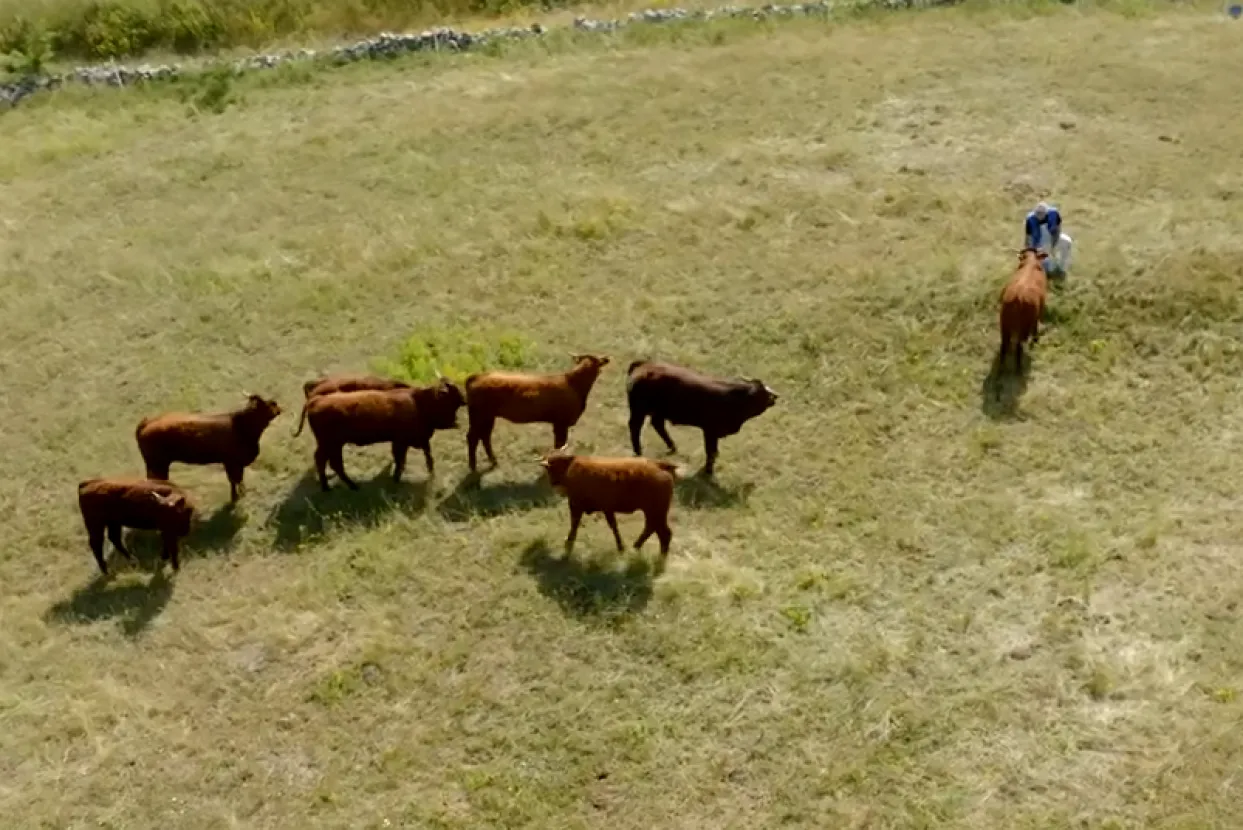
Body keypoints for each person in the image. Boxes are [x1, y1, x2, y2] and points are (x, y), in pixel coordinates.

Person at [1023, 201, 1072, 278]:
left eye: (1041, 213)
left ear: (1046, 212)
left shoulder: (1054, 214)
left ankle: (1062, 269)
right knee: (1048, 266)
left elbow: (1058, 229)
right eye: (1038, 213)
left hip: (1053, 237)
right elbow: (1028, 237)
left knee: (1067, 242)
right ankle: (1048, 273)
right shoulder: (1030, 220)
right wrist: (1028, 250)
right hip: (1039, 242)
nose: (1039, 215)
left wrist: (1053, 245)